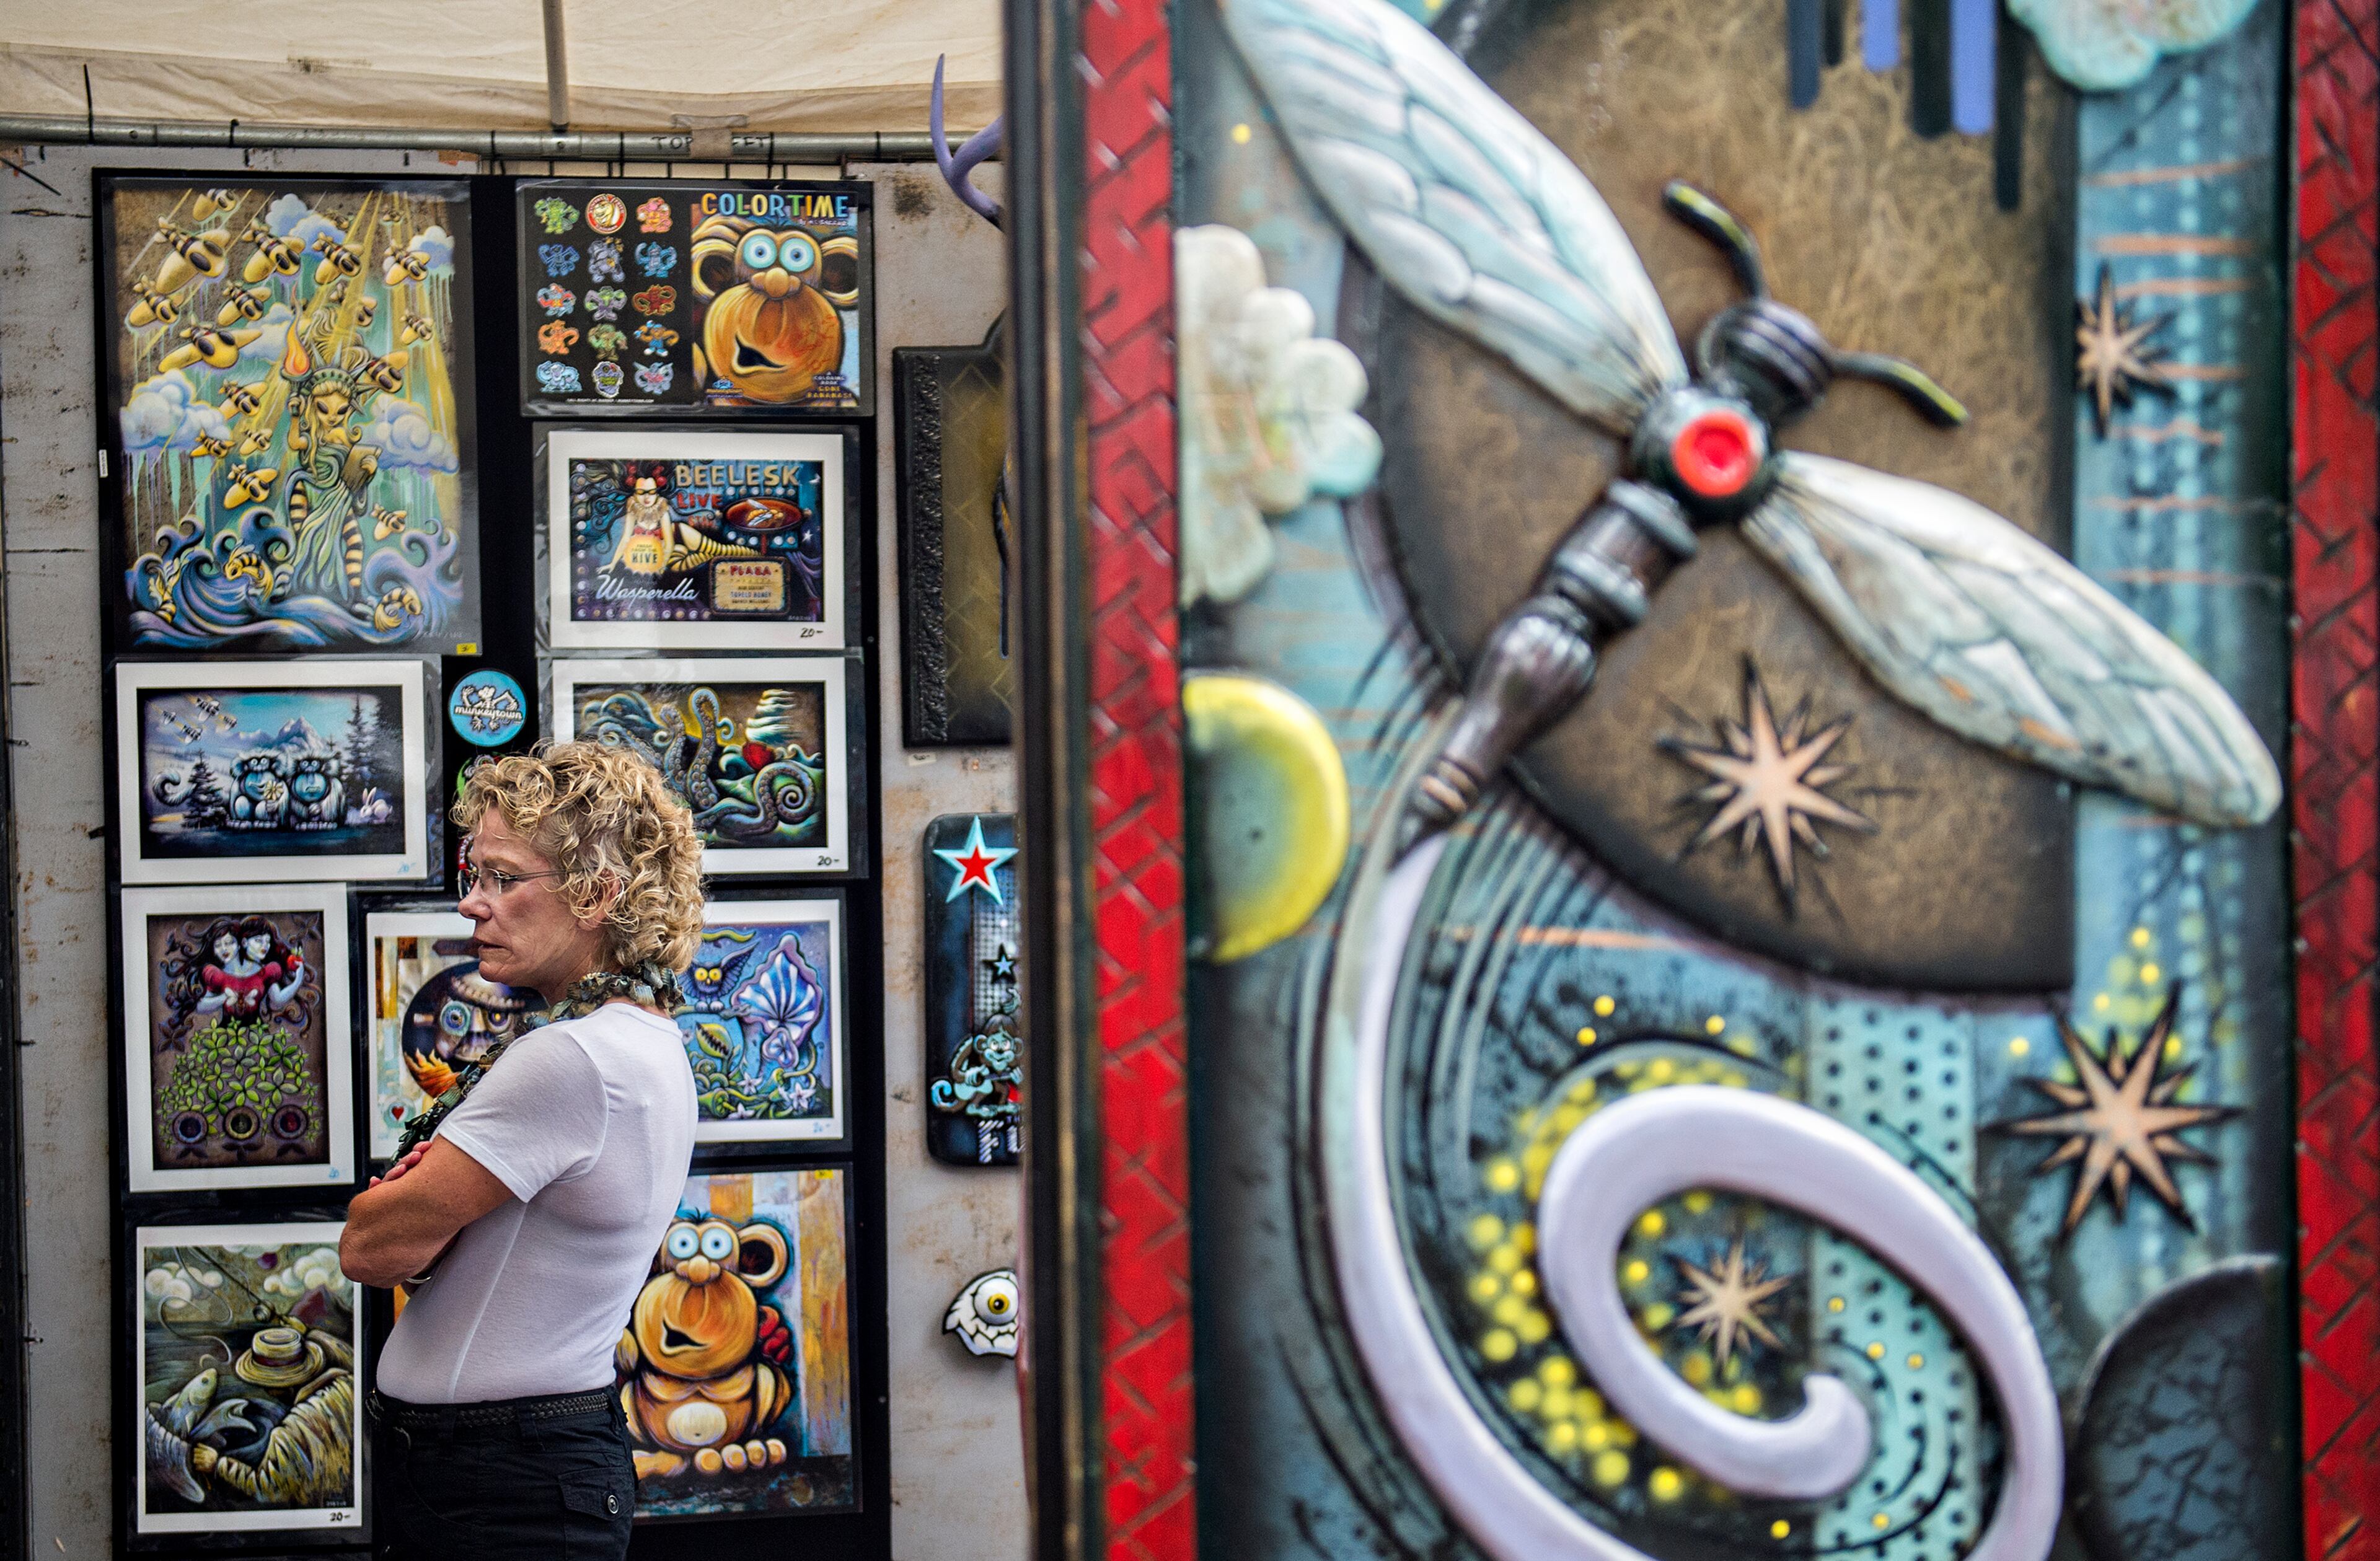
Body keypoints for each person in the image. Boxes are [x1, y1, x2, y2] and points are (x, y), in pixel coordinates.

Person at [339, 742, 702, 1559]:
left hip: (504, 1484)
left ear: (598, 895)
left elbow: (371, 1246)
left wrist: (396, 1202)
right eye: (475, 878)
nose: (474, 905)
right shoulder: (634, 1038)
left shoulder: (569, 1058)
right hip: (511, 1472)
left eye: (504, 879)